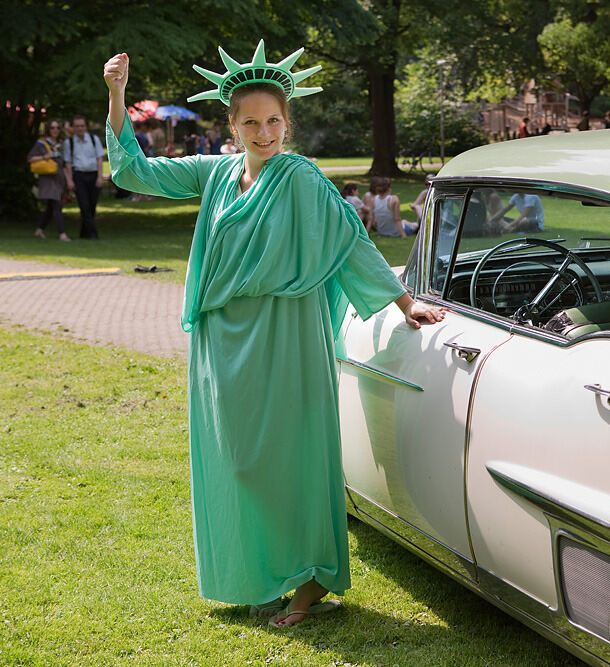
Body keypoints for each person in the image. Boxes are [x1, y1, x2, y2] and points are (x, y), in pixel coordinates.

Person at [102, 45, 444, 629]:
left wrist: (405, 302)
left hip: (287, 334)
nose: (265, 133)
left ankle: (309, 582)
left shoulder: (300, 177)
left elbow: (348, 241)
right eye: (252, 123)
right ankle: (258, 574)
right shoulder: (214, 174)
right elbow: (133, 171)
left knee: (295, 455)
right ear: (231, 128)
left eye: (274, 121)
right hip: (222, 339)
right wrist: (115, 94)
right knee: (237, 461)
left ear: (287, 124)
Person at [27, 120, 71, 242]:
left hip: (59, 178)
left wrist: (68, 180)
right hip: (47, 179)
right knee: (57, 205)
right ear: (48, 129)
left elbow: (64, 163)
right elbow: (30, 158)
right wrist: (44, 157)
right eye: (52, 128)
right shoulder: (41, 143)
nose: (55, 130)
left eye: (57, 127)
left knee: (51, 207)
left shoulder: (61, 144)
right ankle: (62, 234)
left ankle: (39, 230)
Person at [64, 114, 104, 240]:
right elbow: (68, 163)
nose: (80, 128)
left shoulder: (94, 139)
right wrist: (69, 180)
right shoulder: (69, 143)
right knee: (84, 205)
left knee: (92, 206)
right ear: (73, 128)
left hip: (93, 175)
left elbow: (99, 159)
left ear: (86, 127)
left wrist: (100, 177)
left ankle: (84, 233)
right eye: (77, 126)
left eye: (82, 126)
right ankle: (93, 234)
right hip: (79, 176)